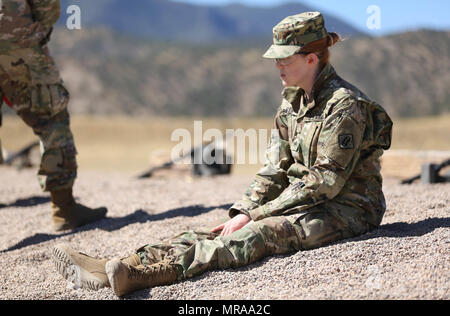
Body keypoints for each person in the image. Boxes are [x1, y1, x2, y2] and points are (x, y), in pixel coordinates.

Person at [51, 11, 393, 297]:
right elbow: (274, 170)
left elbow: (324, 184)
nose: (277, 66)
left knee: (258, 234)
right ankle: (123, 264)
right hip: (306, 202)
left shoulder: (346, 107)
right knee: (218, 230)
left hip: (348, 209)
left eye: (284, 58)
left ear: (311, 58)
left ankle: (148, 276)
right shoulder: (291, 105)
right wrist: (244, 209)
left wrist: (257, 216)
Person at [0, 0, 107, 231]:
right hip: (14, 37)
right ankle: (64, 208)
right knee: (52, 117)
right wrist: (34, 31)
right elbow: (46, 6)